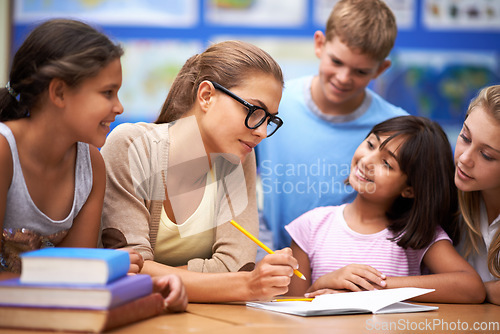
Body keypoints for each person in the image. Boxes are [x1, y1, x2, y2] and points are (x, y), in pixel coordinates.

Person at [0, 19, 188, 312]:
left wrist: (143, 284)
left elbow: (74, 277)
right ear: (59, 93)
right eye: (107, 93)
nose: (119, 107)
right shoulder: (3, 151)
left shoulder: (92, 164)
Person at [100, 40, 299, 302]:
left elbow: (236, 266)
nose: (262, 132)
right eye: (254, 111)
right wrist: (241, 285)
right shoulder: (131, 145)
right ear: (206, 96)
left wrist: (159, 275)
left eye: (269, 119)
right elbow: (129, 271)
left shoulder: (239, 157)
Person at [256, 0, 408, 251]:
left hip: (349, 269)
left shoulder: (394, 127)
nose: (343, 78)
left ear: (381, 69)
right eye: (336, 62)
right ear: (319, 44)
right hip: (276, 261)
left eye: (360, 72)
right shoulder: (275, 104)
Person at [285, 116, 485, 303]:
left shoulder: (418, 236)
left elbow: (471, 288)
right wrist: (323, 284)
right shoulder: (311, 226)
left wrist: (371, 288)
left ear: (410, 189)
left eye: (387, 163)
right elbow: (293, 311)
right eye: (370, 144)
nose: (367, 161)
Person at [455, 85, 500, 305]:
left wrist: (466, 289)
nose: (464, 159)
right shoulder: (447, 195)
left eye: (486, 155)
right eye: (465, 137)